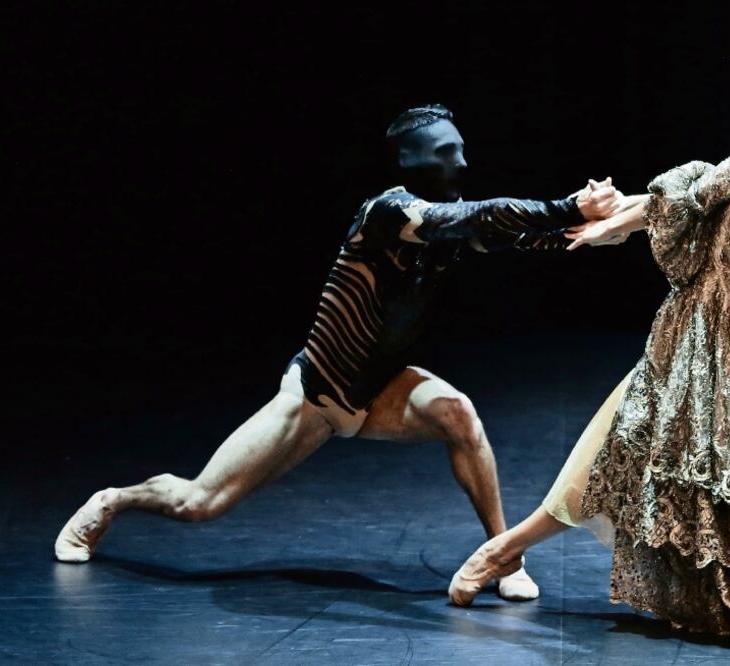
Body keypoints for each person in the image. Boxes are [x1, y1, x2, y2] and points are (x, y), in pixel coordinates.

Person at [54, 104, 623, 602]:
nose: (462, 164)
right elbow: (475, 216)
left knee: (459, 414)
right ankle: (111, 502)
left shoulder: (447, 230)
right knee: (199, 504)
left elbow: (520, 233)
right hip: (317, 394)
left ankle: (505, 556)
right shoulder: (387, 213)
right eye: (448, 152)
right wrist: (567, 205)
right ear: (411, 159)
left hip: (381, 388)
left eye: (462, 151)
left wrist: (606, 222)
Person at [448, 88, 730, 651]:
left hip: (714, 334)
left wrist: (607, 225)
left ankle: (503, 549)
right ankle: (507, 549)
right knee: (653, 452)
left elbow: (684, 202)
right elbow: (691, 201)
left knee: (622, 445)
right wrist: (619, 216)